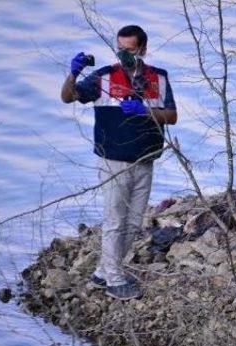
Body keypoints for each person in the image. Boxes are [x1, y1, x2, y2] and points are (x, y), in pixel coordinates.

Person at [60, 25, 177, 300]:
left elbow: (171, 116)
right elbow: (68, 97)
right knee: (115, 220)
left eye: (130, 50)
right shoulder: (103, 78)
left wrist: (146, 111)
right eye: (120, 49)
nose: (124, 54)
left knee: (134, 223)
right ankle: (114, 279)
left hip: (146, 159)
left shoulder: (158, 78)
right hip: (113, 161)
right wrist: (74, 73)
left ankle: (103, 271)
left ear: (143, 50)